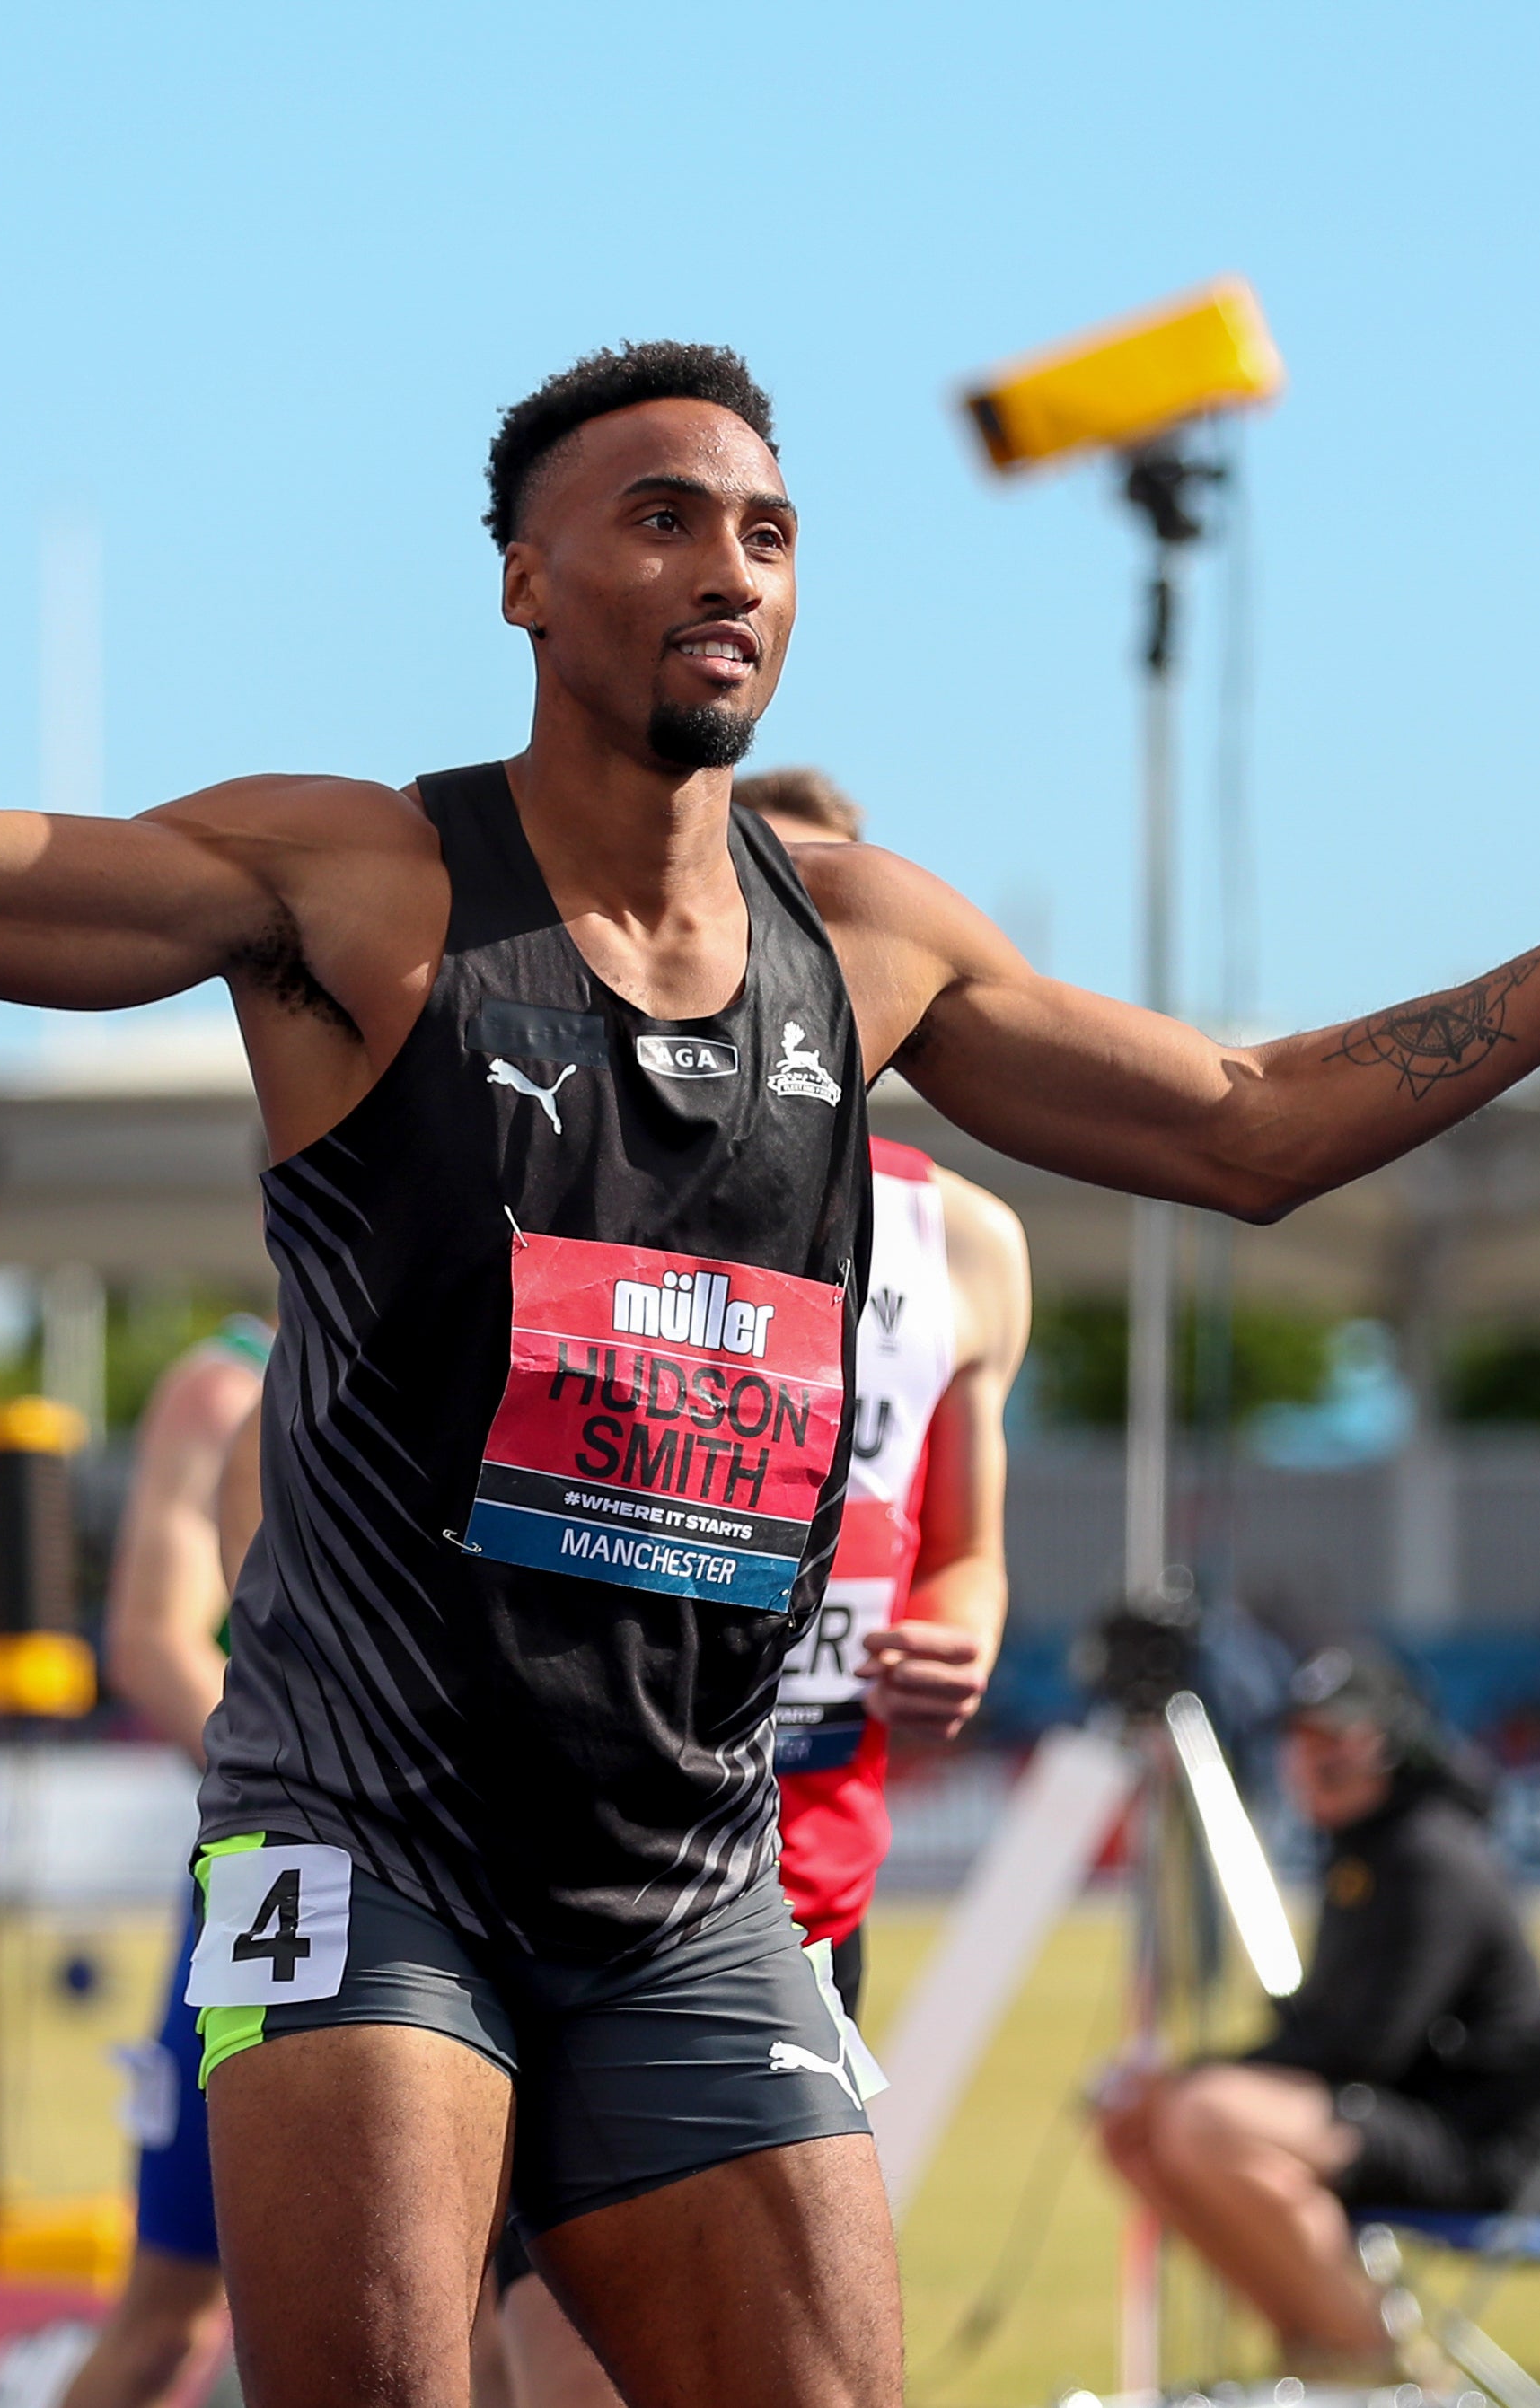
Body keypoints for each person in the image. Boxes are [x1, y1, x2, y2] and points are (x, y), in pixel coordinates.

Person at [0, 296, 1540, 2408]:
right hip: (368, 1843)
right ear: (522, 578)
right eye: (662, 514)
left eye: (767, 529)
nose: (727, 565)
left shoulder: (866, 941)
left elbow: (1242, 1126)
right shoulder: (357, 884)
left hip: (681, 1872)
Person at [496, 768, 1034, 2408]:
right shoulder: (572, 1158)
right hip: (562, 1875)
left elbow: (962, 1549)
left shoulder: (968, 1243)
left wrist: (962, 1634)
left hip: (807, 1888)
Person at [1096, 1649, 1540, 2385]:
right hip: (1395, 2110)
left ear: (1391, 1743)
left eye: (1335, 1738)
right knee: (1133, 2130)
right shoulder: (1367, 1848)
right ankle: (1313, 2343)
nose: (1312, 1759)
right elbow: (1329, 2029)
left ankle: (1371, 2359)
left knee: (1203, 2116)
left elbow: (1364, 2047)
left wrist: (1200, 2077)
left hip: (1470, 2141)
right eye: (1301, 1739)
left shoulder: (1428, 1855)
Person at [63, 1317, 269, 2408]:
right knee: (169, 2318)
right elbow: (153, 1641)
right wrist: (324, 1780)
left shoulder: (513, 1340)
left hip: (480, 1883)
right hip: (277, 1878)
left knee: (493, 2314)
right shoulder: (229, 1384)